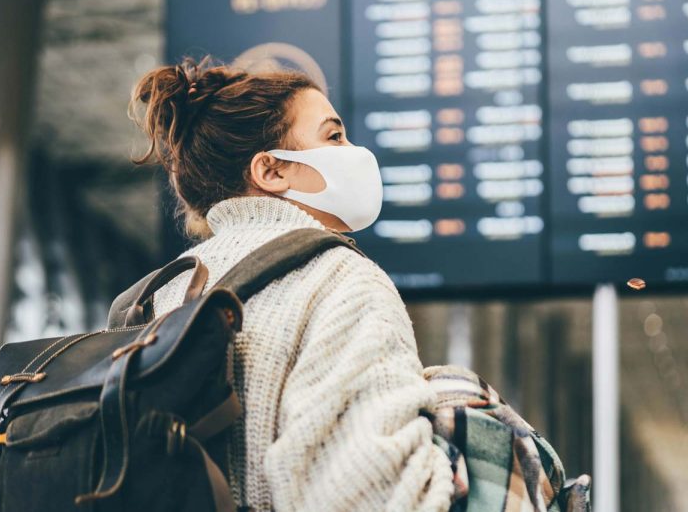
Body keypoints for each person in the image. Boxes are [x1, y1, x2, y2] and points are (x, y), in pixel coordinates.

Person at [131, 56, 456, 511]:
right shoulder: (339, 280)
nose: (355, 152)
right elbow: (368, 494)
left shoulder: (154, 297)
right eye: (334, 136)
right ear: (271, 171)